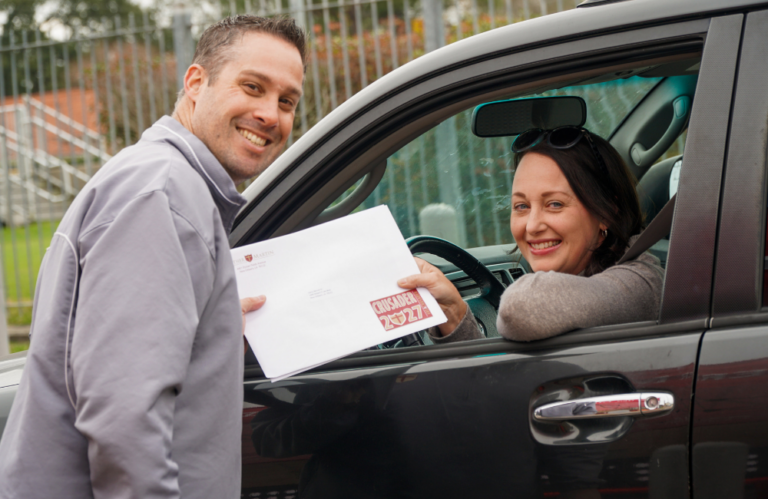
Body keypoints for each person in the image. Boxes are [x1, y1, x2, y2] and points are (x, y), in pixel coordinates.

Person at [0, 15, 305, 499]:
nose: (271, 113)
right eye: (252, 87)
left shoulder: (164, 184)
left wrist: (213, 327)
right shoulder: (162, 197)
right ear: (196, 83)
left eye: (286, 101)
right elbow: (124, 416)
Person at [398, 126, 664, 343]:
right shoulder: (584, 278)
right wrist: (453, 312)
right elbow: (498, 395)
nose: (532, 226)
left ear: (607, 211)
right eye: (522, 206)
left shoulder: (641, 283)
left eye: (555, 204)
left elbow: (520, 309)